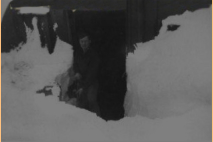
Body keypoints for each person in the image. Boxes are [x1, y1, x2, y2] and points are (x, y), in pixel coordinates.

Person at [72, 31, 100, 116]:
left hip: (91, 82)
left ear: (89, 41)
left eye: (85, 41)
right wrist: (76, 72)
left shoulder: (94, 55)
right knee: (81, 102)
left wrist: (83, 87)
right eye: (82, 41)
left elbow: (92, 74)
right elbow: (75, 64)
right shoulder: (78, 53)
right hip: (81, 81)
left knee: (91, 99)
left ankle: (97, 119)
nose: (84, 43)